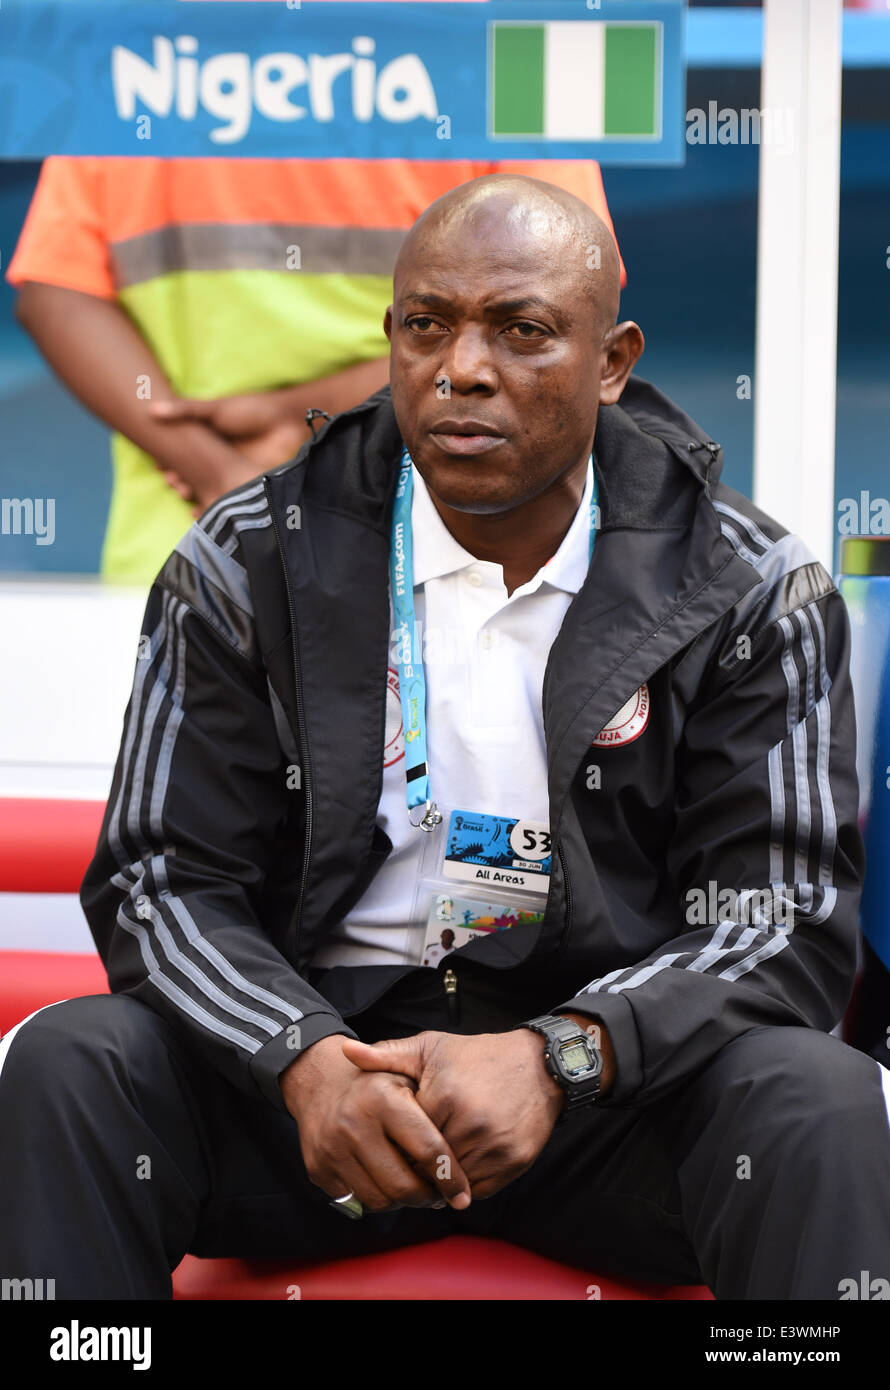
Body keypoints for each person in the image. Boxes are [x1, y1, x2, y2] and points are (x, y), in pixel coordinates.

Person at [1, 174, 888, 1301]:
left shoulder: (746, 587)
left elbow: (783, 913)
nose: (461, 368)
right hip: (317, 1094)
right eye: (426, 325)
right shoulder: (247, 559)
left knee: (807, 1092)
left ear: (611, 362)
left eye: (520, 330)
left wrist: (566, 1054)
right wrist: (300, 1058)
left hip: (610, 1099)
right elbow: (159, 881)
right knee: (76, 1063)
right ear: (390, 341)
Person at [6, 156, 624, 584]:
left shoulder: (146, 39)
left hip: (194, 544)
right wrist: (295, 423)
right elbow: (562, 296)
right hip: (437, 552)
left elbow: (55, 292)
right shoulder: (484, 31)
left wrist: (222, 475)